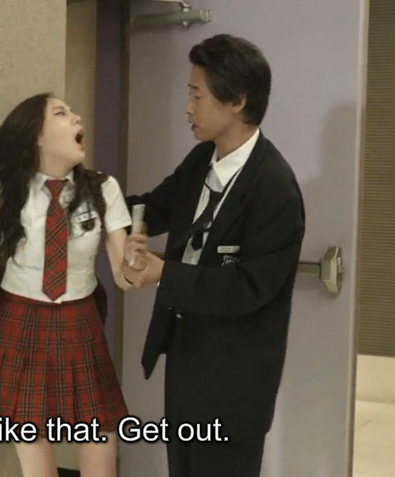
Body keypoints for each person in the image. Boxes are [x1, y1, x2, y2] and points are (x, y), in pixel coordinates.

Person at [121, 34, 306, 477]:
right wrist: (82, 200)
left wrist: (163, 274)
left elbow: (247, 287)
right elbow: (154, 208)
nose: (188, 108)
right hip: (186, 361)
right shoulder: (202, 158)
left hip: (235, 383)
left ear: (237, 101)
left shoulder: (275, 187)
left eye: (197, 95)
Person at [0, 93, 134, 477]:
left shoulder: (103, 189)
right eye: (62, 113)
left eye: (73, 112)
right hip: (22, 325)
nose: (77, 118)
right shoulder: (7, 192)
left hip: (80, 322)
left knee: (101, 459)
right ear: (37, 136)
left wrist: (137, 261)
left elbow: (123, 276)